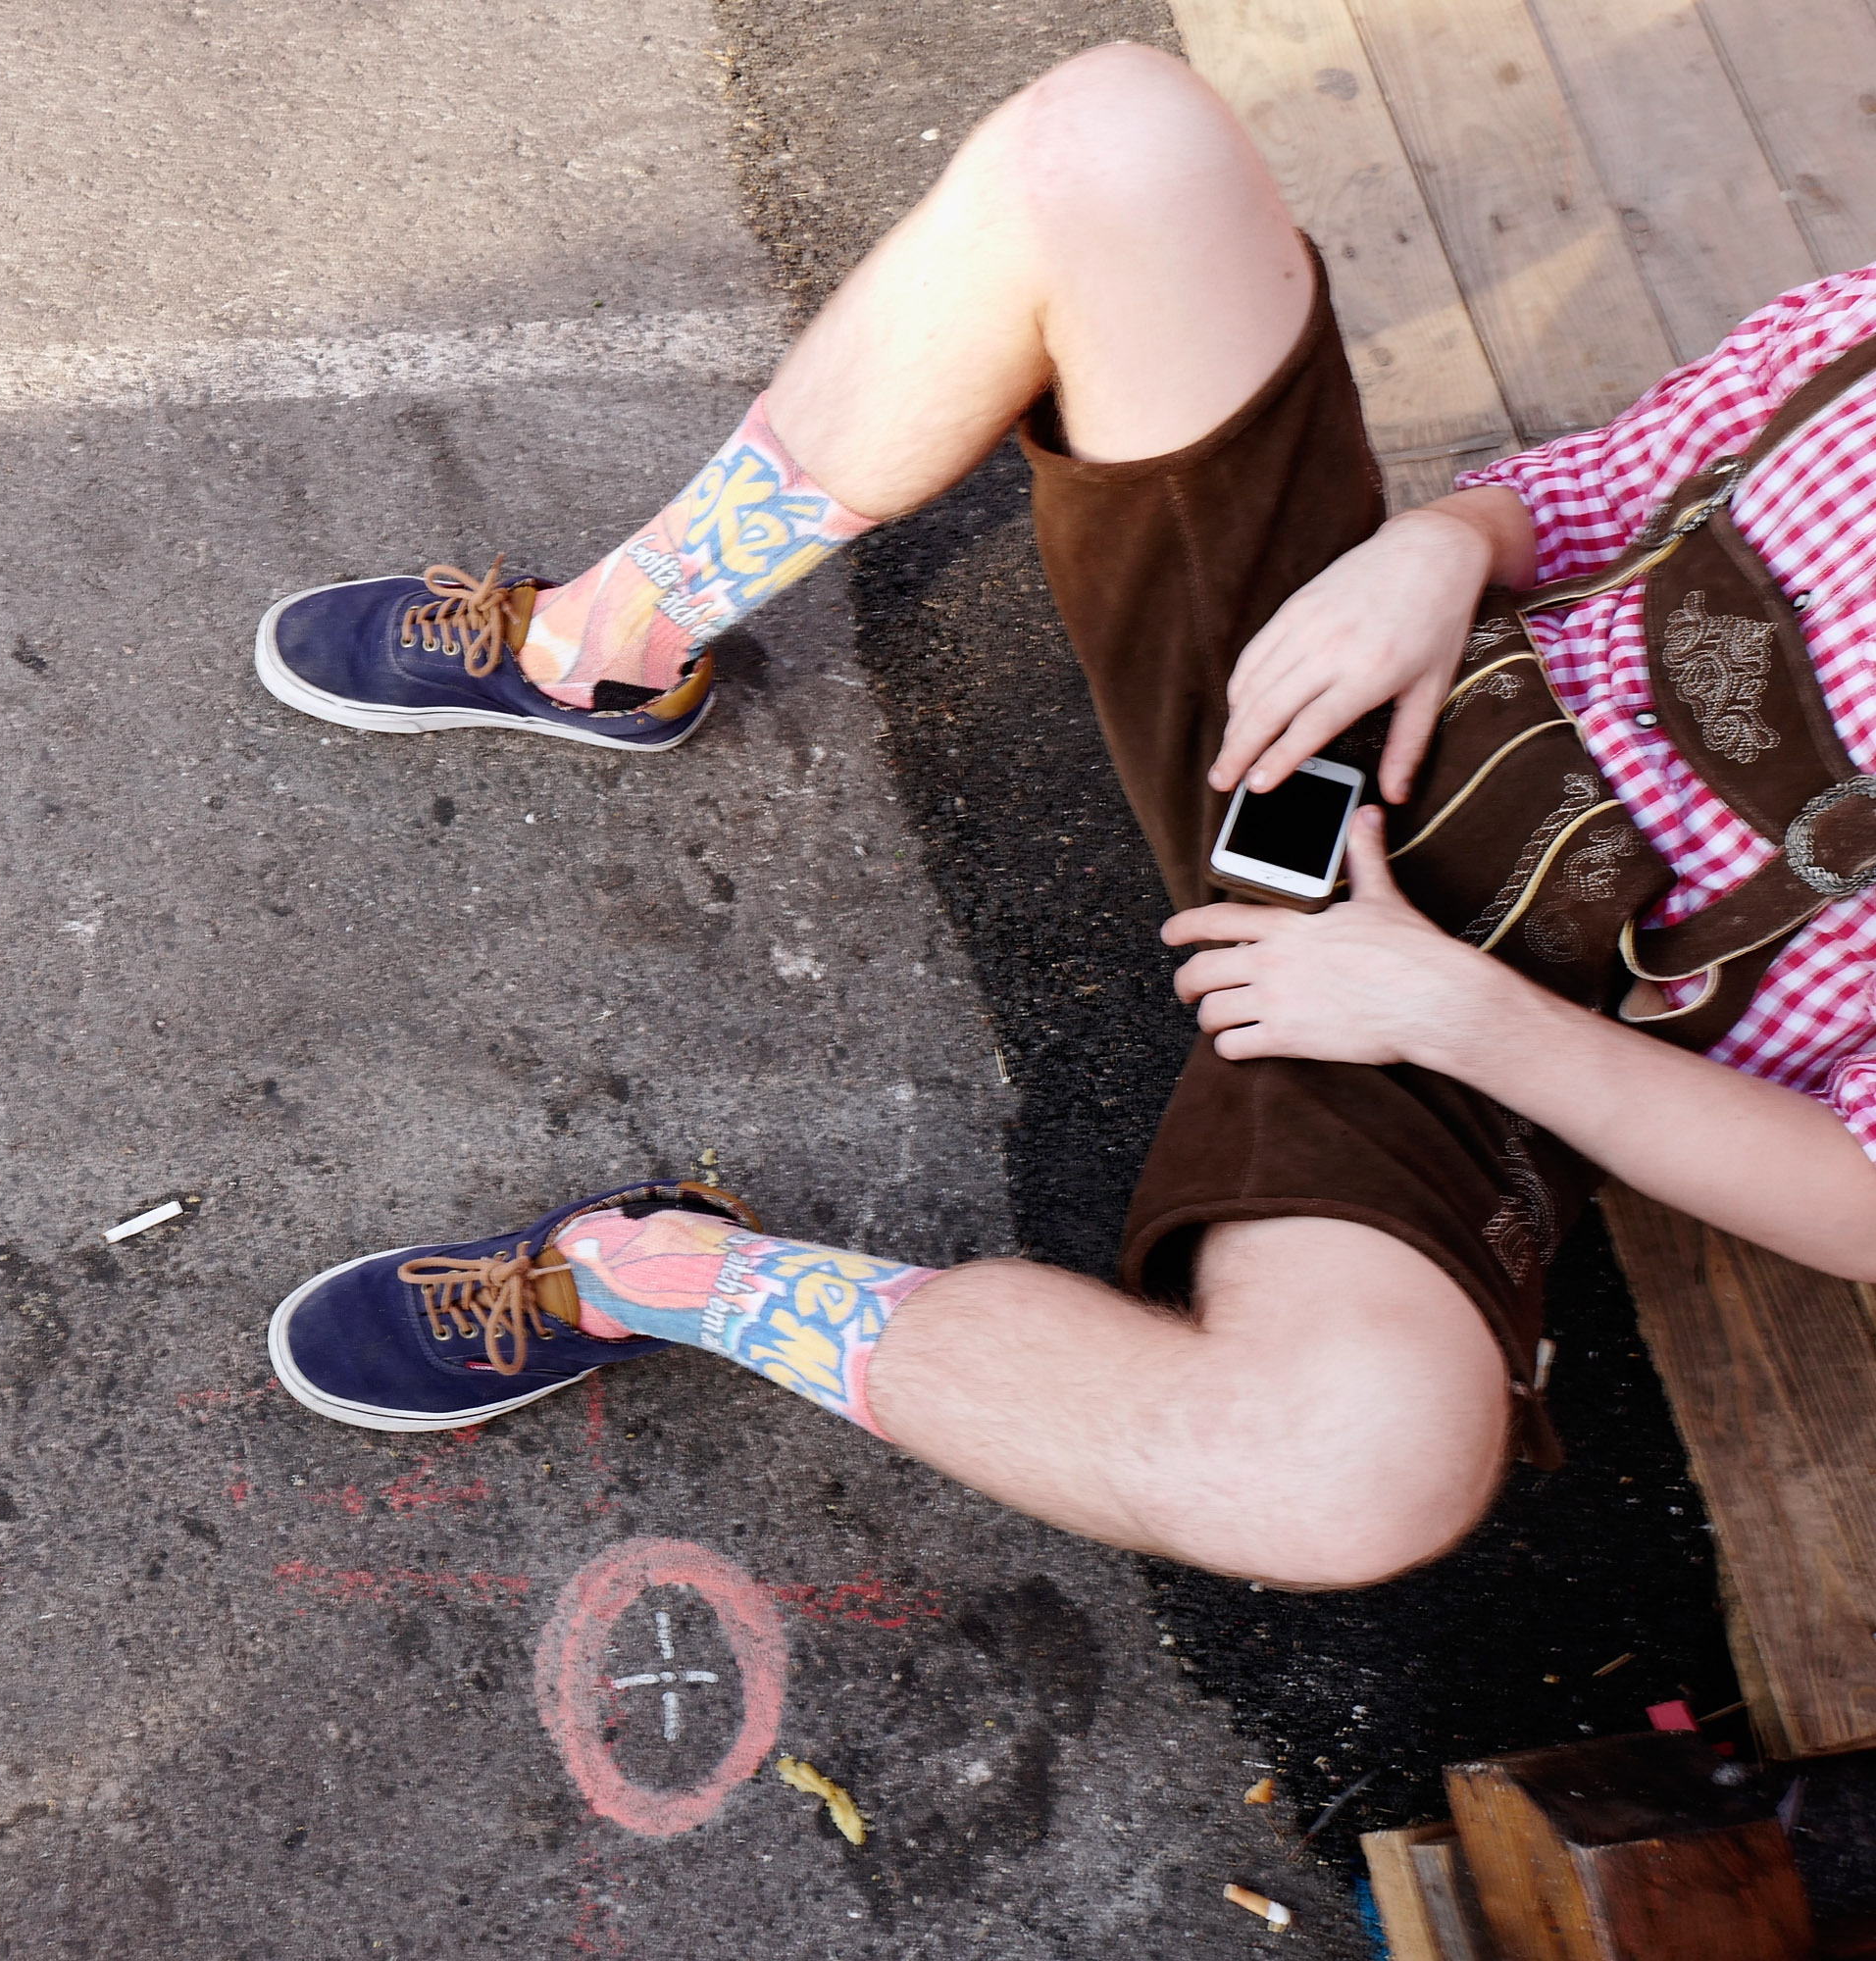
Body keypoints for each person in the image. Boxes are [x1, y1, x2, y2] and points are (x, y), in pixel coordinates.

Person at [248, 44, 1876, 1589]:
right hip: (1365, 693)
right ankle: (599, 646)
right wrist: (1449, 543)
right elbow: (1628, 475)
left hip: (1490, 1041)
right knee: (1111, 141)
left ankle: (649, 1271)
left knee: (1346, 1475)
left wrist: (1458, 1014)